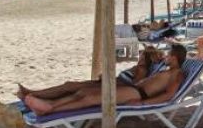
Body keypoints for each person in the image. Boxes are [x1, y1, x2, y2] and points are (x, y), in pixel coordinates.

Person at [22, 44, 187, 116]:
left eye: (168, 55)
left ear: (174, 57)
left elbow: (169, 95)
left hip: (138, 93)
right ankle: (50, 105)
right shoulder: (167, 70)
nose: (166, 57)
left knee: (90, 99)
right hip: (134, 89)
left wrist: (143, 103)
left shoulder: (177, 74)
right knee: (83, 94)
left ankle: (51, 109)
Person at [16, 45, 164, 103]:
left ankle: (35, 95)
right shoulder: (137, 67)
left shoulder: (142, 70)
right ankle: (34, 94)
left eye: (142, 56)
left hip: (110, 88)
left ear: (147, 59)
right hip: (107, 84)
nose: (139, 57)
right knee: (69, 86)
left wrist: (109, 80)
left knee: (72, 88)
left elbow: (133, 86)